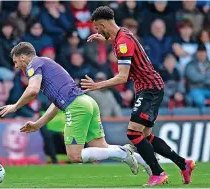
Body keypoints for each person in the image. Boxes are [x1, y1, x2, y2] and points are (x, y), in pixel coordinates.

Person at [81, 6, 195, 186]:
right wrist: (104, 38)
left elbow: (122, 77)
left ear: (103, 23)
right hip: (149, 87)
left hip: (149, 88)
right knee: (146, 136)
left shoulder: (122, 42)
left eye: (97, 28)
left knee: (133, 133)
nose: (97, 31)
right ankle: (183, 163)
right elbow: (118, 41)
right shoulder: (122, 34)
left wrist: (97, 85)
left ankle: (158, 173)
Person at [0, 42, 152, 176]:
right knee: (101, 148)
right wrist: (38, 124)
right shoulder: (47, 66)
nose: (16, 66)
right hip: (87, 102)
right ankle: (145, 161)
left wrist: (15, 106)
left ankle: (123, 153)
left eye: (16, 61)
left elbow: (32, 90)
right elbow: (56, 105)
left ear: (23, 57)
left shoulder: (34, 64)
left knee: (74, 156)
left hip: (77, 106)